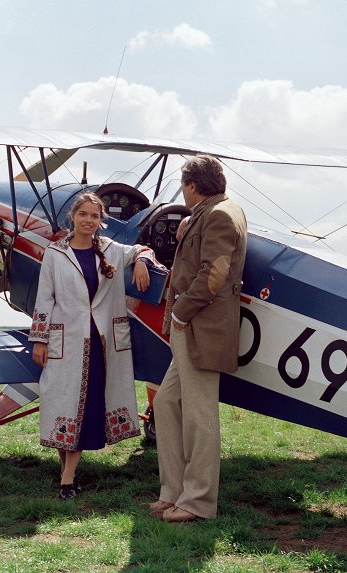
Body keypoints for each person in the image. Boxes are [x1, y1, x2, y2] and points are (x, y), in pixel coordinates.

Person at [29, 192, 163, 499]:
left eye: (94, 216)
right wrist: (39, 339)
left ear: (101, 221)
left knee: (87, 406)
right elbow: (44, 298)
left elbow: (143, 249)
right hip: (67, 341)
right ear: (72, 217)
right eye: (83, 214)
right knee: (64, 404)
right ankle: (67, 472)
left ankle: (67, 478)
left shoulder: (111, 250)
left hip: (102, 345)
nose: (89, 220)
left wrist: (142, 262)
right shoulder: (55, 253)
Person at [147, 155, 247, 523]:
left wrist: (179, 312)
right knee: (167, 402)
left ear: (191, 185)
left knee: (200, 416)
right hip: (191, 330)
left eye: (183, 186)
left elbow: (215, 271)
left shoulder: (219, 214)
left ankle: (199, 502)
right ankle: (173, 491)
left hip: (199, 328)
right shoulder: (216, 211)